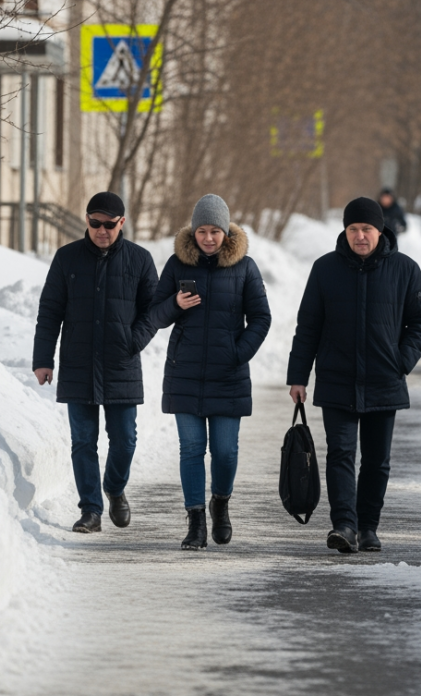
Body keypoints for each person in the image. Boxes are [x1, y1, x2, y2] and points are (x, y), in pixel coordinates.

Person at [287, 197, 421, 553]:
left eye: (366, 229)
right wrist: (298, 376)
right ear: (345, 231)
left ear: (379, 229)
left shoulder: (404, 269)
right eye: (353, 229)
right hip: (337, 378)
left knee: (376, 460)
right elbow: (308, 327)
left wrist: (401, 361)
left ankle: (368, 527)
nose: (360, 236)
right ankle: (345, 526)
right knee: (339, 453)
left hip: (385, 380)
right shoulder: (325, 269)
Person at [33, 191, 160, 533]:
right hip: (78, 363)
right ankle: (91, 509)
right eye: (94, 223)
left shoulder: (140, 260)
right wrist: (43, 358)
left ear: (122, 223)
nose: (101, 230)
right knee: (83, 441)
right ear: (86, 220)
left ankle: (115, 489)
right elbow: (50, 312)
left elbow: (155, 310)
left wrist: (134, 340)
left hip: (122, 364)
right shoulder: (66, 258)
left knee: (125, 440)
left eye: (108, 224)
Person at [152, 194, 271, 549]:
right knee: (191, 449)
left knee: (224, 451)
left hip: (227, 375)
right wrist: (175, 304)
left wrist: (239, 353)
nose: (207, 238)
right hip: (184, 372)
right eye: (202, 231)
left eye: (214, 231)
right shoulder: (177, 265)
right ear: (193, 231)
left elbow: (261, 318)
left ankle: (221, 504)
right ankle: (195, 523)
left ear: (226, 232)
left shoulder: (245, 267)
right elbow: (154, 316)